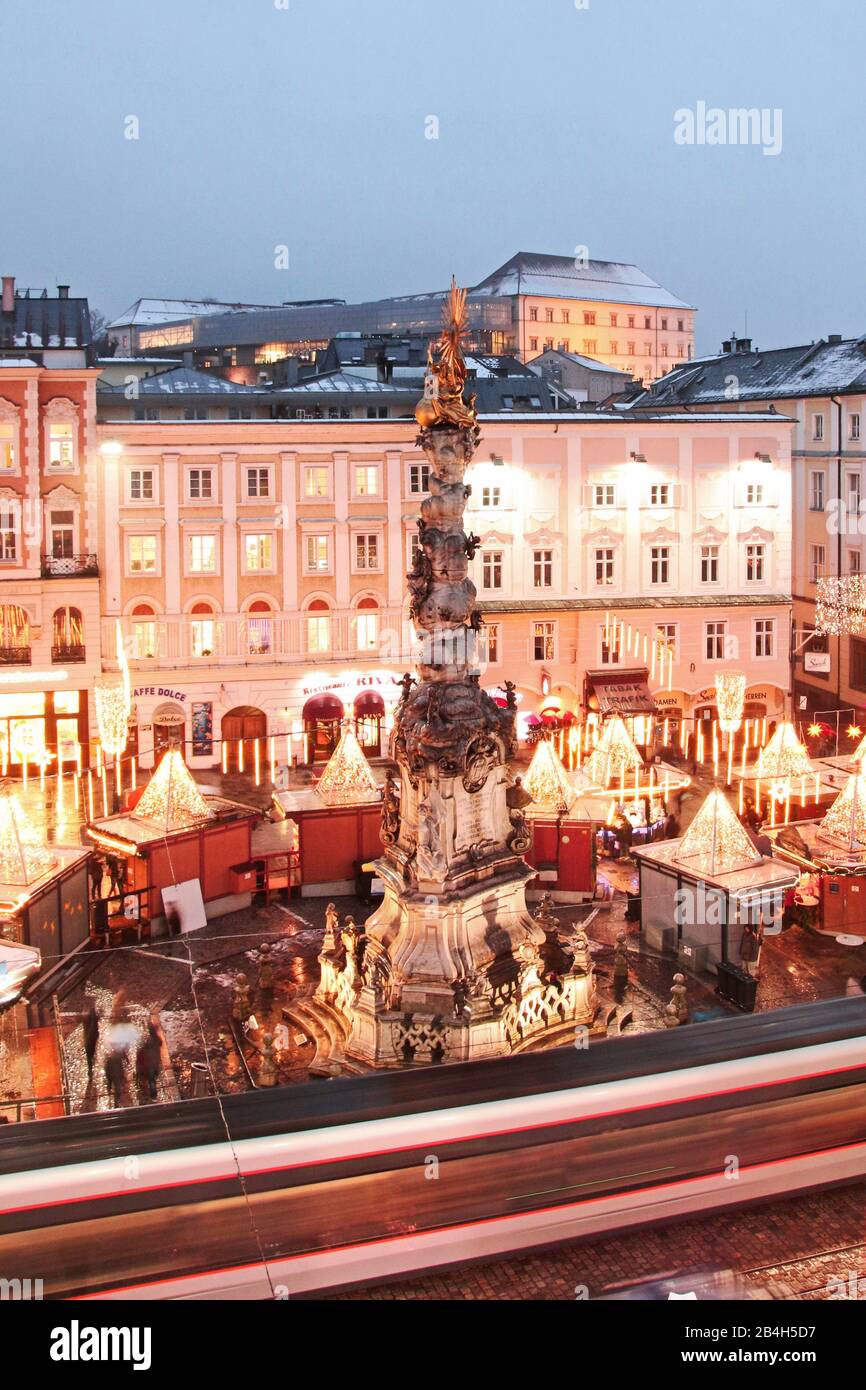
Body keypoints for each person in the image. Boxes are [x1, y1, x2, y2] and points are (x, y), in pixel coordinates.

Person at [135, 1019, 162, 1101]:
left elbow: (143, 1051)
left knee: (151, 1080)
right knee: (153, 1079)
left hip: (150, 1064)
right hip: (156, 1063)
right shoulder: (157, 1040)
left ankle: (152, 1095)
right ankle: (152, 1094)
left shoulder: (148, 1042)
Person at [83, 1003, 99, 1080]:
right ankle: (90, 1070)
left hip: (88, 1040)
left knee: (89, 1056)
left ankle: (90, 1070)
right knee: (91, 1055)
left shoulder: (86, 1021)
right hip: (91, 1039)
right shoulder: (93, 1023)